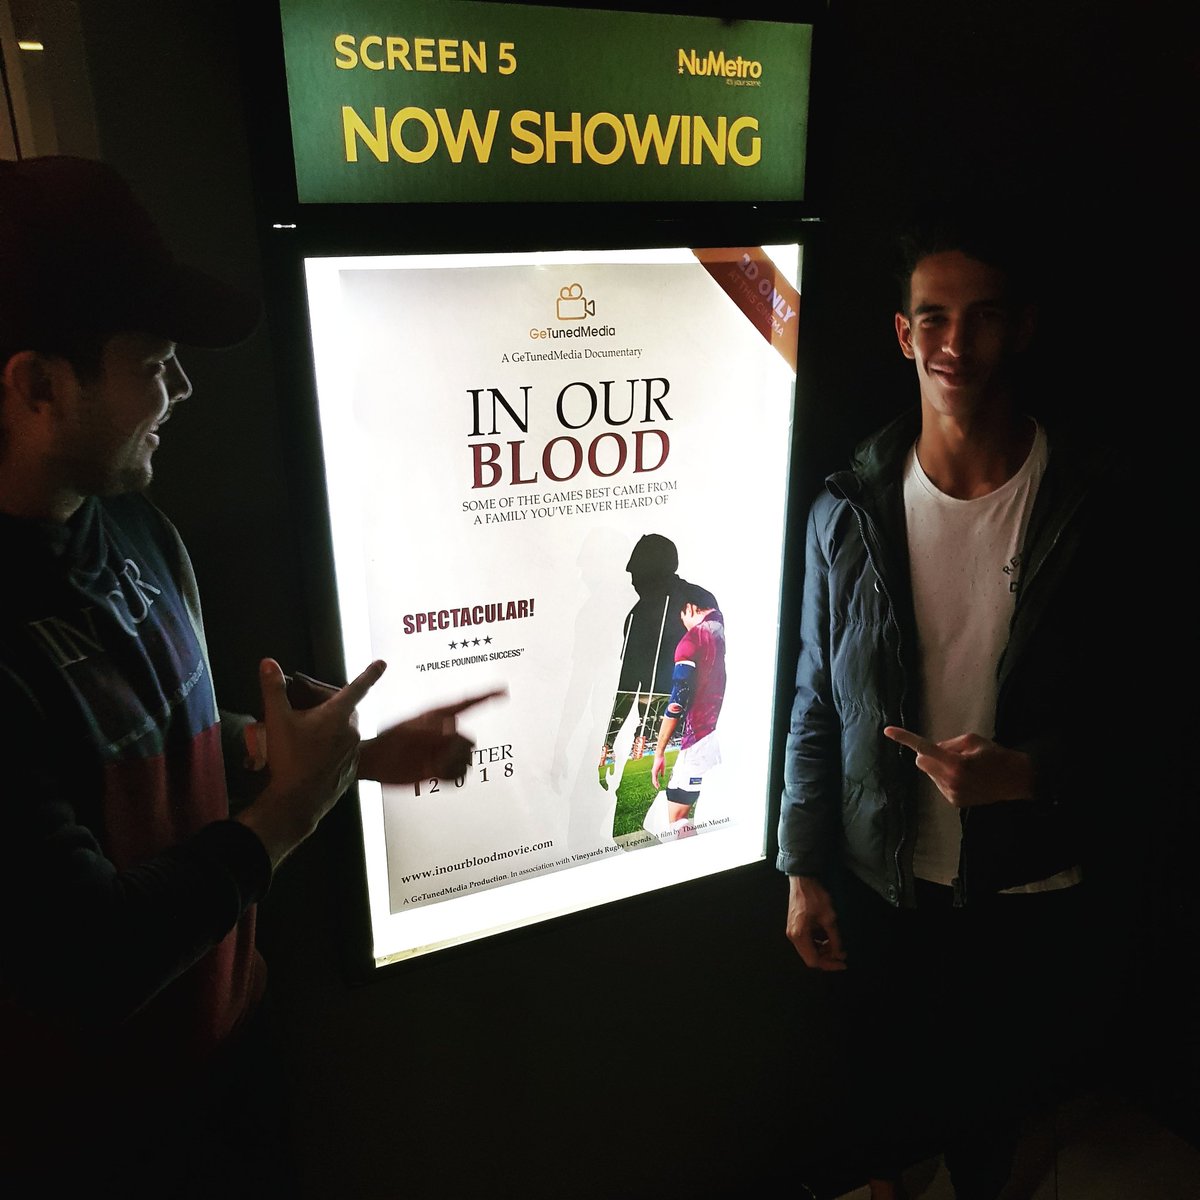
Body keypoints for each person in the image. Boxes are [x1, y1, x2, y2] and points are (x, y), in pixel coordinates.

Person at [0, 155, 496, 1194]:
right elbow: (85, 960)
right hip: (94, 1141)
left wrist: (322, 751)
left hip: (232, 1058)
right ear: (38, 386)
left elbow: (152, 746)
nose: (179, 389)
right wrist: (285, 815)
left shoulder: (132, 523)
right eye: (152, 360)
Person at [778, 212, 1120, 1199]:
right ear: (902, 333)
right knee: (877, 1109)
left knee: (990, 1127)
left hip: (1023, 880)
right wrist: (801, 868)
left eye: (980, 319)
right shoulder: (849, 506)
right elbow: (812, 697)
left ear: (1022, 328)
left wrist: (1028, 775)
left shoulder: (1089, 505)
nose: (955, 345)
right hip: (881, 867)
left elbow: (1151, 717)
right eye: (933, 319)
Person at [651, 584, 725, 839]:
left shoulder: (693, 639)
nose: (683, 623)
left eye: (683, 616)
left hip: (701, 738)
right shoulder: (727, 630)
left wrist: (659, 752)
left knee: (677, 817)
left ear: (691, 608)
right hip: (730, 733)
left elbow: (677, 701)